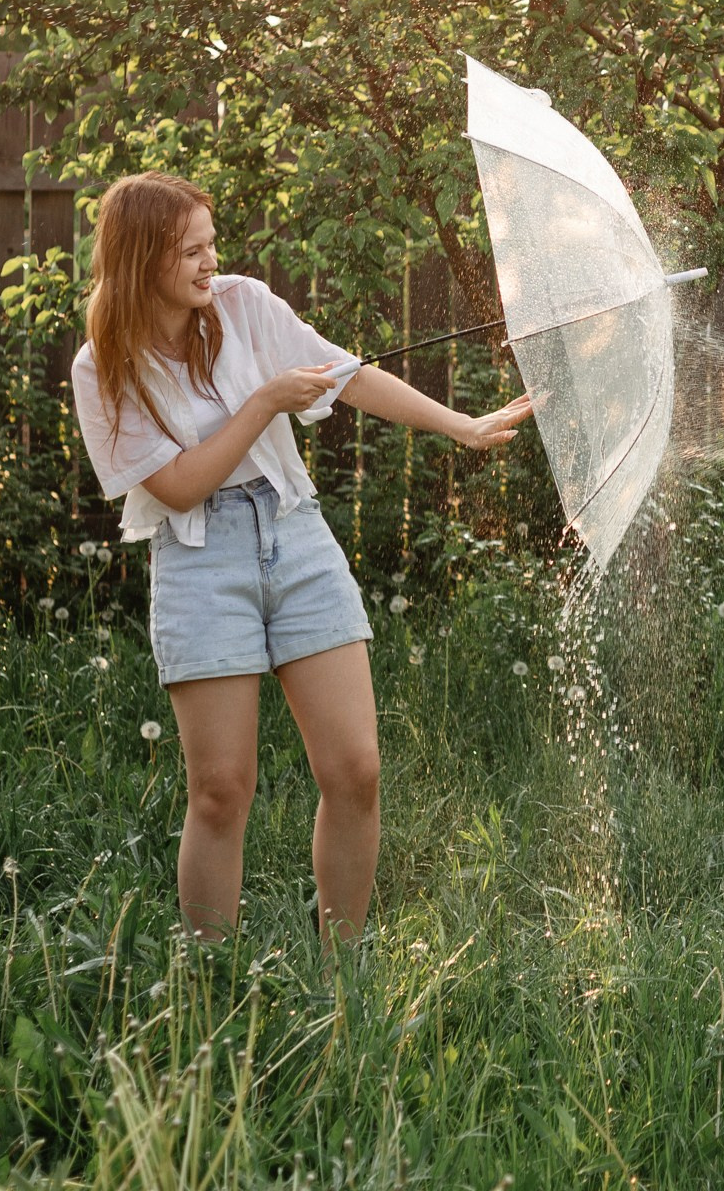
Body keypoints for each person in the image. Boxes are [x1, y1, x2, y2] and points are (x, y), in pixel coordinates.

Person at [71, 171, 532, 941]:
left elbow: (348, 377)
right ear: (143, 260)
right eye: (191, 251)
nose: (211, 262)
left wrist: (462, 426)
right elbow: (179, 488)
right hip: (199, 558)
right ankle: (210, 982)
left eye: (211, 244)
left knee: (356, 771)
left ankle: (340, 972)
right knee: (221, 791)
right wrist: (262, 404)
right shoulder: (103, 366)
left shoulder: (245, 306)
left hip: (293, 531)